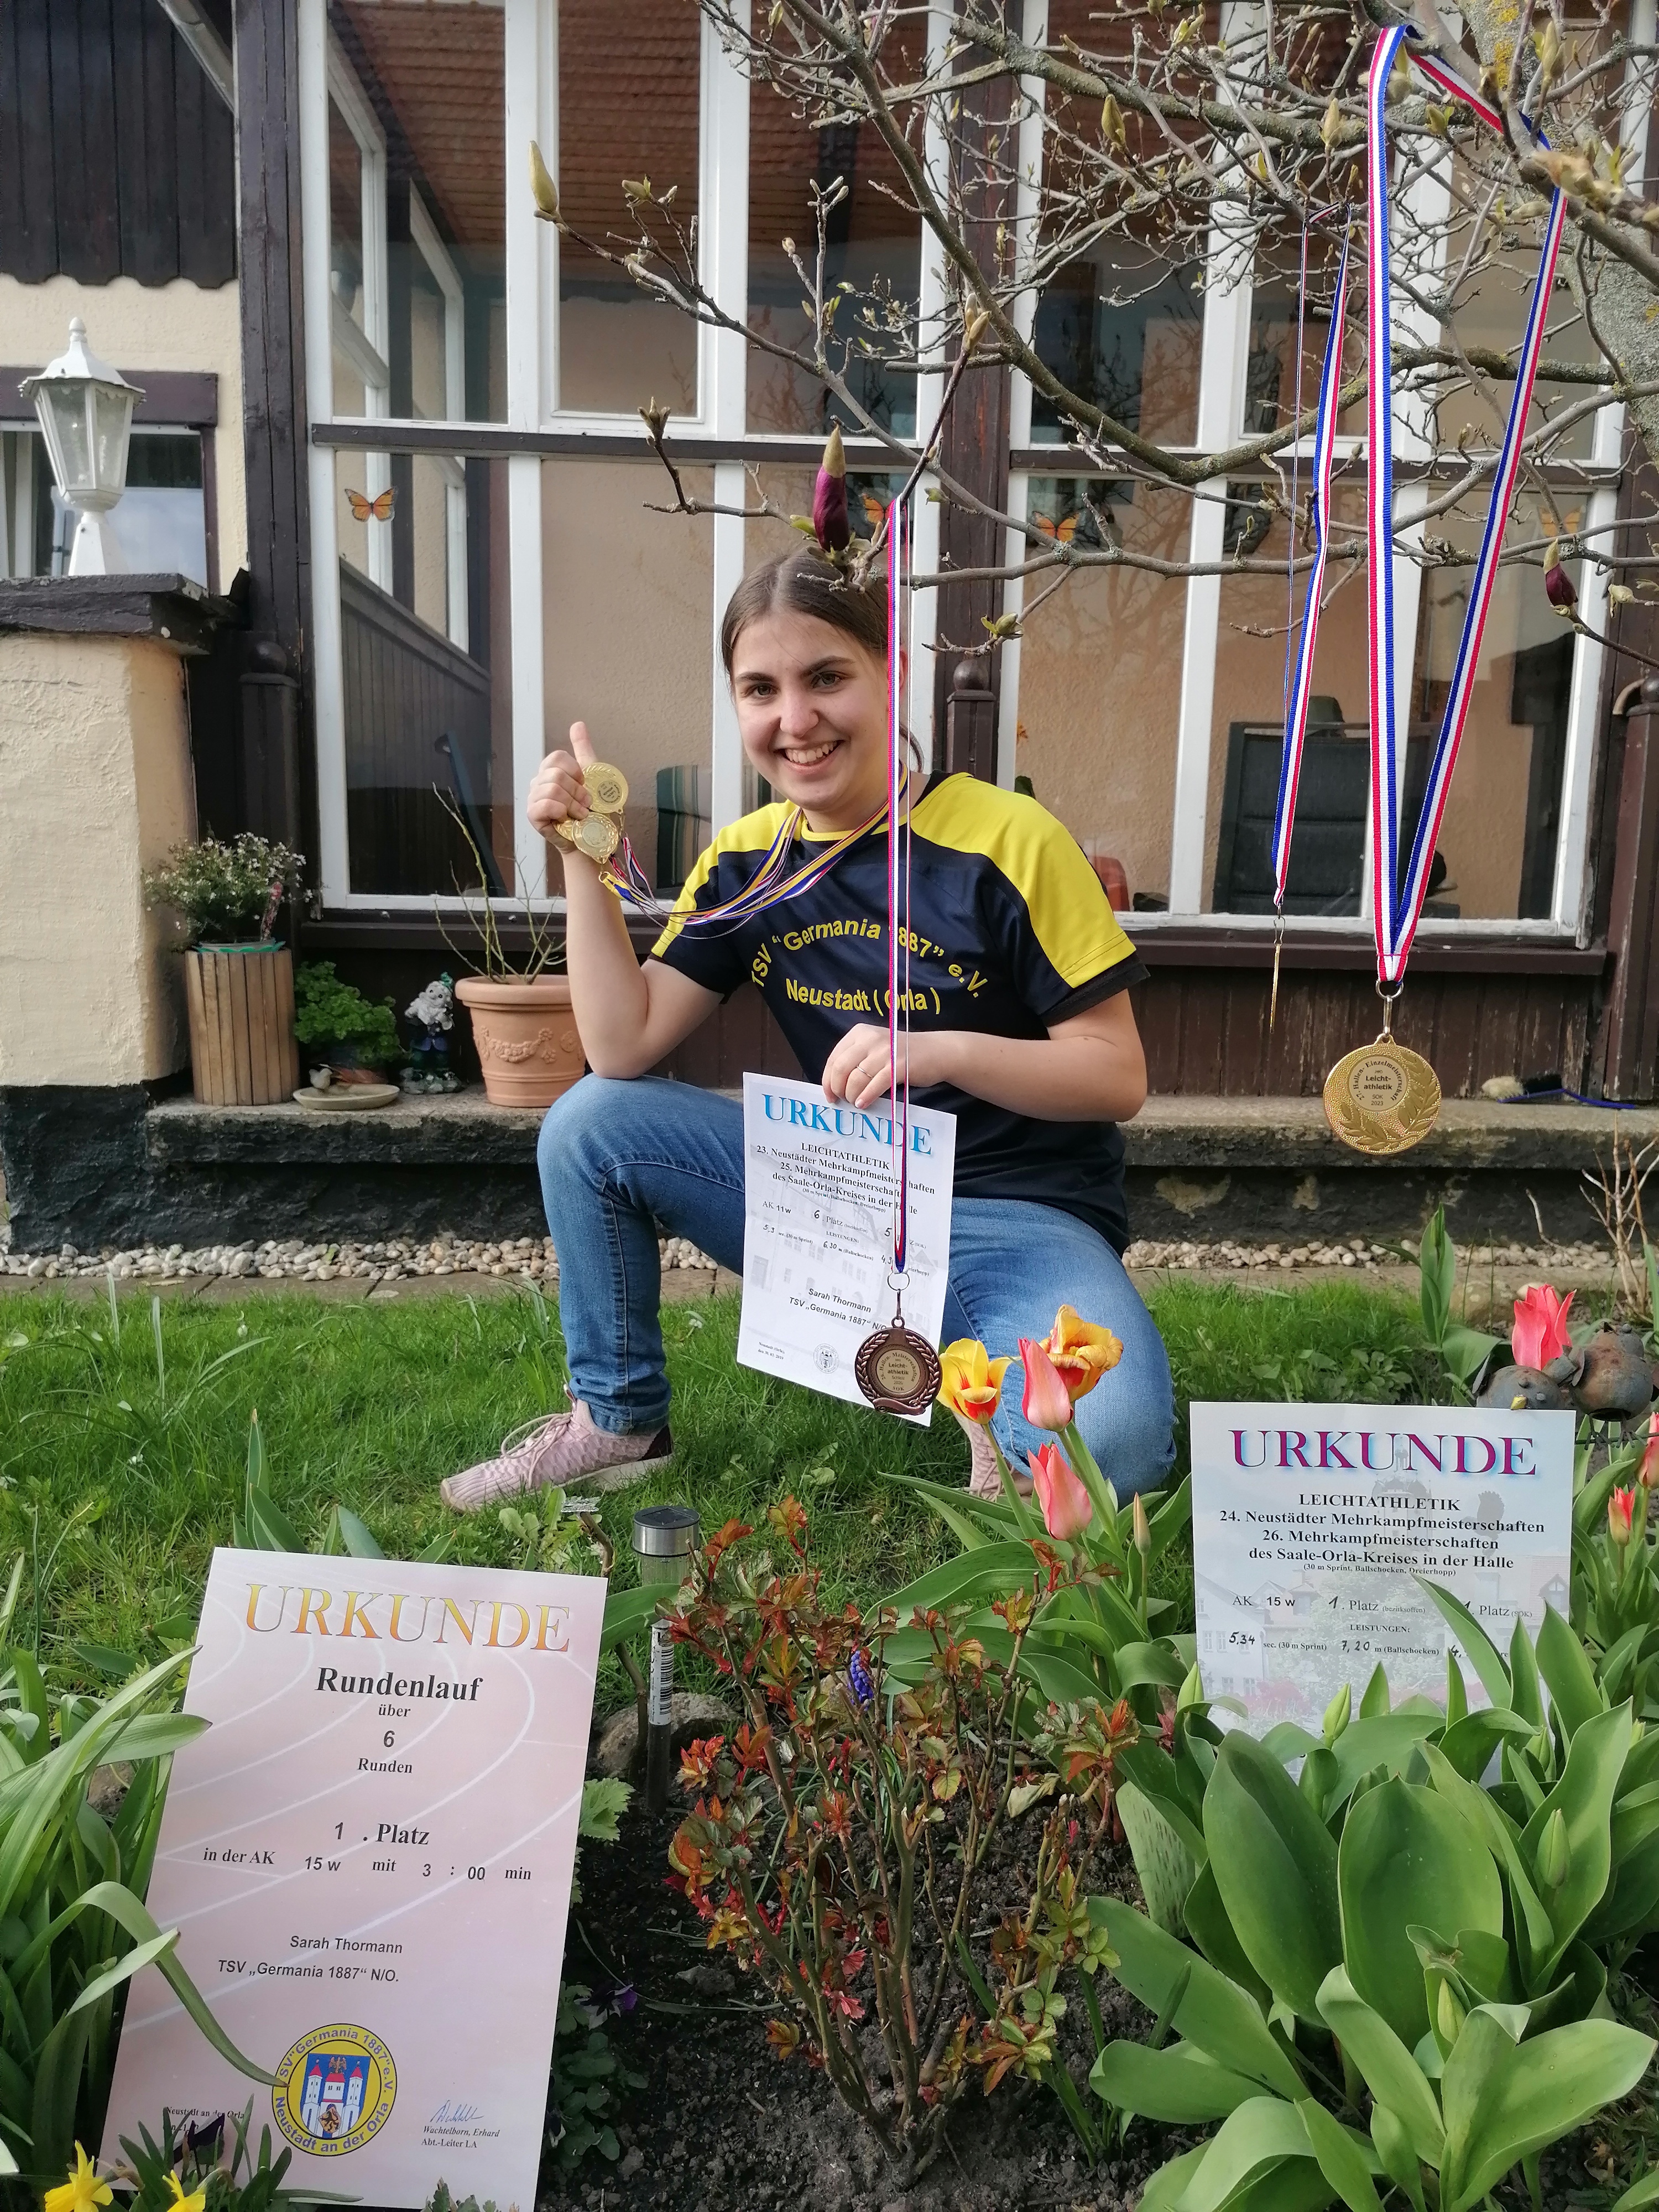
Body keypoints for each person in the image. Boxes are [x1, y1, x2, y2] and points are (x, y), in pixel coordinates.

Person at [440, 545, 1174, 1510]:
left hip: (1023, 1220)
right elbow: (622, 1046)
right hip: (847, 1202)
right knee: (590, 1123)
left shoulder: (1009, 839)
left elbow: (1116, 1074)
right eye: (761, 689)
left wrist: (938, 1050)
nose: (795, 719)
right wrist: (583, 857)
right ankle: (616, 1421)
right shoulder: (751, 860)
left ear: (888, 675)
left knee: (1117, 1446)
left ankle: (992, 1396)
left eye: (827, 677)